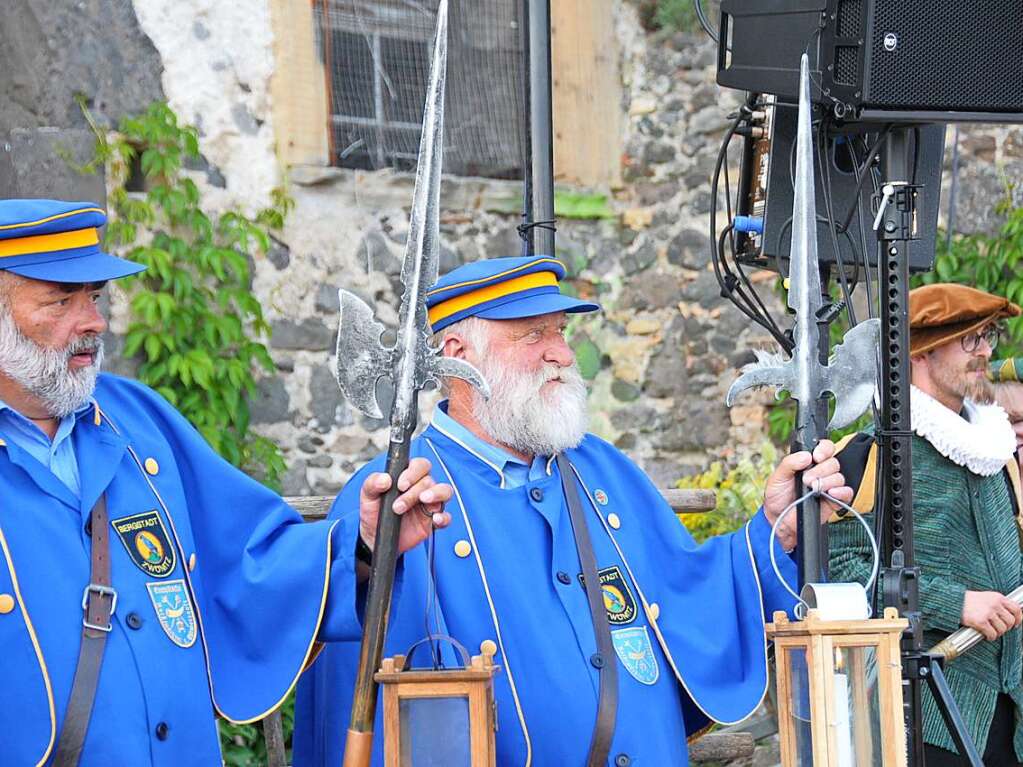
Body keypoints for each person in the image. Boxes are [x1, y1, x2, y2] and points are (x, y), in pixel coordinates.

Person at [293, 255, 853, 767]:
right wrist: (368, 551)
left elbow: (687, 589)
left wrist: (774, 531)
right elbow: (350, 678)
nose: (561, 353)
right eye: (533, 335)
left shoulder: (601, 468)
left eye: (560, 332)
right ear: (458, 355)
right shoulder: (401, 491)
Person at [0, 199, 451, 766]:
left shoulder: (138, 418)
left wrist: (362, 542)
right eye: (60, 300)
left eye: (92, 296)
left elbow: (246, 556)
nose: (92, 322)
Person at [829, 284, 1023, 766]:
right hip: (926, 708)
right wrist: (952, 603)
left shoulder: (996, 452)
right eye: (970, 340)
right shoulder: (870, 453)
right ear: (919, 351)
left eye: (989, 337)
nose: (985, 353)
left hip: (1012, 706)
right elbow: (841, 573)